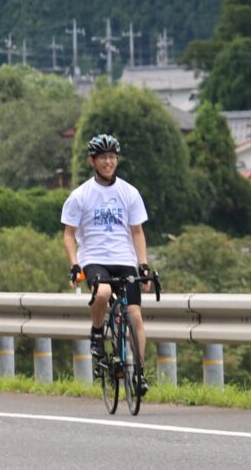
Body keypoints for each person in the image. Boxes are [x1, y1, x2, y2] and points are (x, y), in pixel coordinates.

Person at [61, 133, 153, 395]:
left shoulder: (129, 192)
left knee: (134, 316)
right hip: (94, 258)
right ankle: (98, 332)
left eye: (112, 157)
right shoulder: (80, 195)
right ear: (92, 161)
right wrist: (75, 264)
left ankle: (140, 373)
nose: (108, 162)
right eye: (103, 157)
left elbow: (137, 232)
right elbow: (69, 234)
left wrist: (143, 265)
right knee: (102, 292)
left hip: (124, 259)